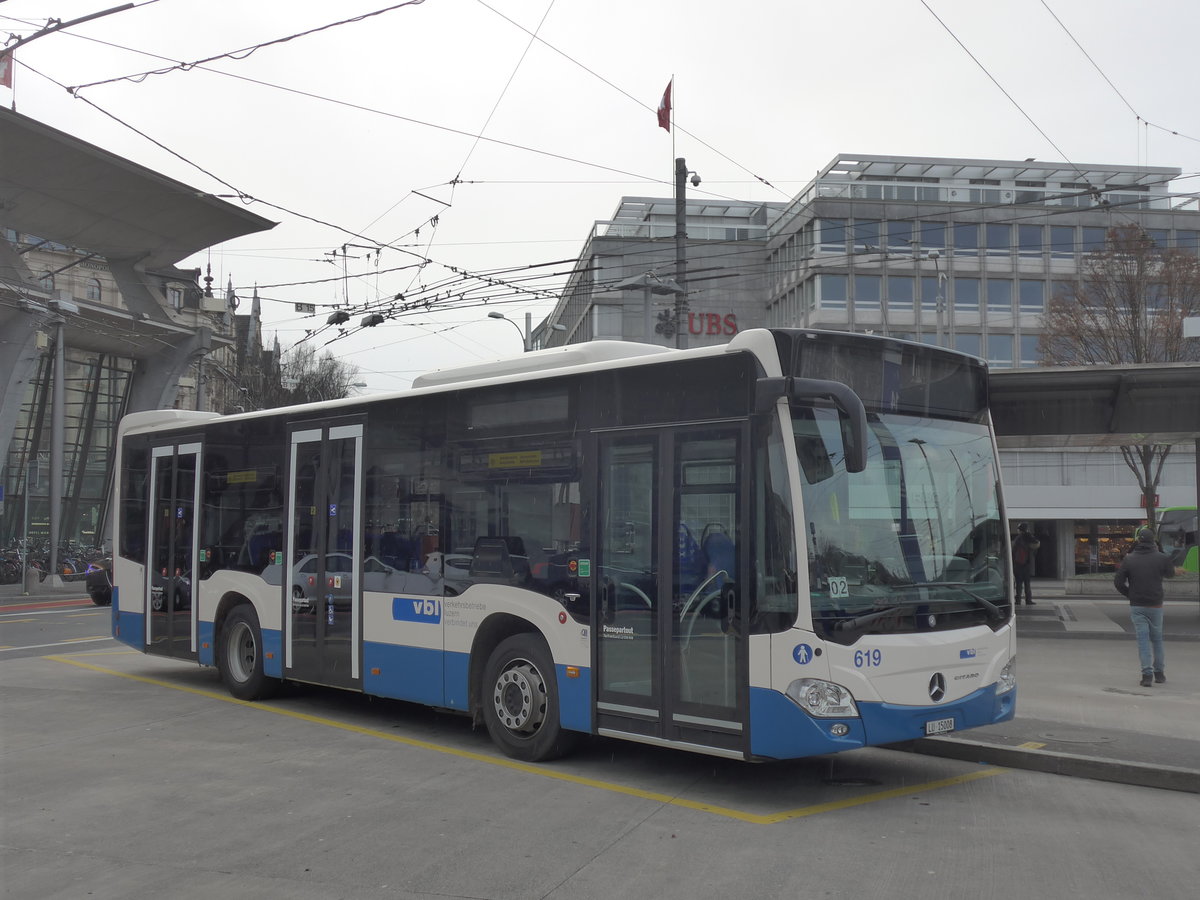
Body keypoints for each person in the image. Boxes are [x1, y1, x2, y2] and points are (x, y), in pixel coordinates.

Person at [1113, 525, 1175, 687]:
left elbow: (1118, 582)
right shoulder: (1162, 558)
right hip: (1155, 604)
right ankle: (1159, 673)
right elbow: (1170, 574)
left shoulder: (1129, 559)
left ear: (1138, 540)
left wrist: (1129, 594)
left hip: (1137, 604)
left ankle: (1146, 675)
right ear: (1153, 541)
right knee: (1157, 639)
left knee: (1143, 640)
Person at [1011, 523, 1039, 606]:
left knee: (1018, 583)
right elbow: (1036, 544)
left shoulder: (1017, 539)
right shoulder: (1029, 537)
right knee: (1027, 583)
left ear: (1019, 530)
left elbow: (1013, 552)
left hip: (1017, 564)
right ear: (1026, 529)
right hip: (1026, 564)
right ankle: (1028, 600)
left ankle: (1018, 600)